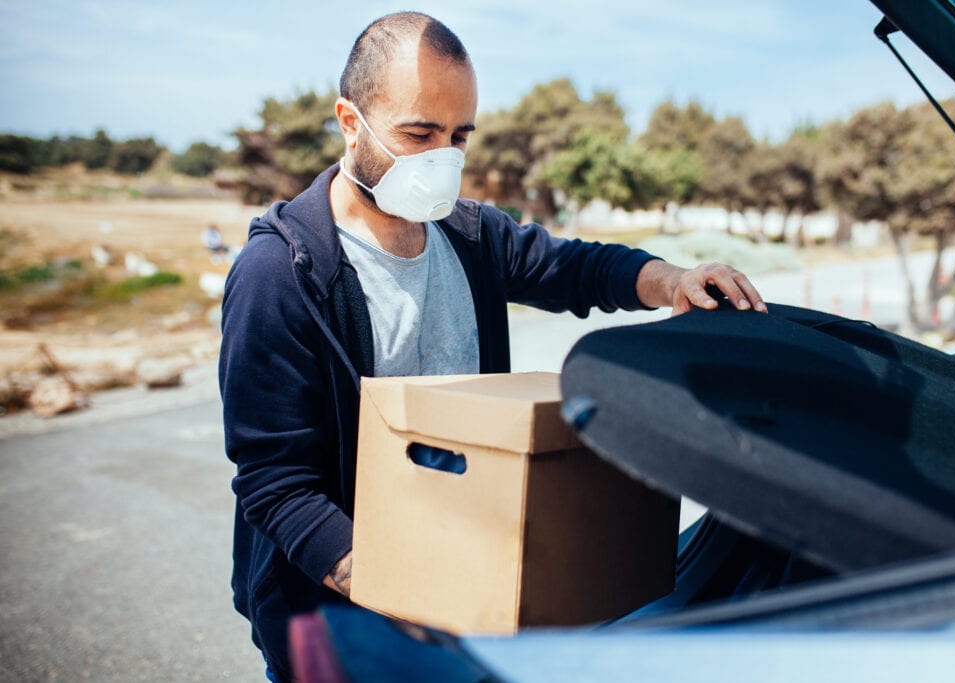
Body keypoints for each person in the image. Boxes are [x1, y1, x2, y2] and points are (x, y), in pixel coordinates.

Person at [219, 11, 766, 681]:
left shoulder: (470, 234)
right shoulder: (282, 274)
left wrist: (673, 279)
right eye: (419, 132)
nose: (440, 158)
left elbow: (575, 268)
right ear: (350, 120)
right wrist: (400, 590)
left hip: (470, 601)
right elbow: (276, 484)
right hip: (339, 621)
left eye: (458, 136)